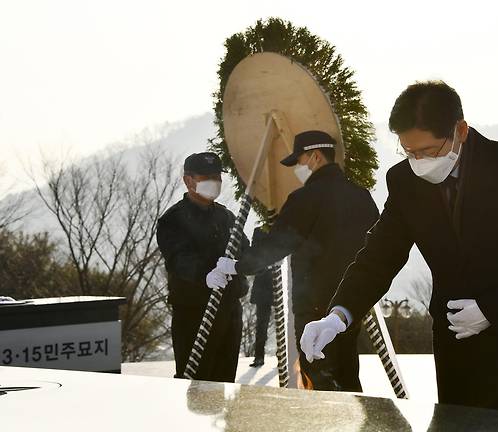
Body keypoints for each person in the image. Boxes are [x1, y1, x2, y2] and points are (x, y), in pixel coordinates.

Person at [300, 81, 498, 418]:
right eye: (409, 151)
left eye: (429, 151)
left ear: (460, 130)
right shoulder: (405, 181)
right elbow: (379, 255)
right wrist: (338, 315)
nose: (419, 162)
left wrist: (493, 309)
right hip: (458, 351)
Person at [211, 130, 379, 392]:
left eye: (299, 162)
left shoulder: (305, 198)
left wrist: (236, 265)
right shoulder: (361, 196)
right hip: (347, 308)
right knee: (346, 374)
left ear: (314, 157)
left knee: (320, 380)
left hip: (313, 307)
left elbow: (278, 244)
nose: (297, 169)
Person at [156, 152, 249, 382]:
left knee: (225, 384)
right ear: (188, 180)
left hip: (229, 311)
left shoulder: (226, 217)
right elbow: (178, 258)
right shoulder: (173, 219)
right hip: (193, 312)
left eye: (217, 176)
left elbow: (244, 251)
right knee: (196, 385)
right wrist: (204, 275)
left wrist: (262, 254)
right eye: (207, 177)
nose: (214, 182)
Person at [249, 226, 274, 368]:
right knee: (261, 323)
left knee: (287, 323)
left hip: (282, 282)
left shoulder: (287, 227)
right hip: (263, 283)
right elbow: (255, 254)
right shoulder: (259, 231)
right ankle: (259, 356)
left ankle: (285, 357)